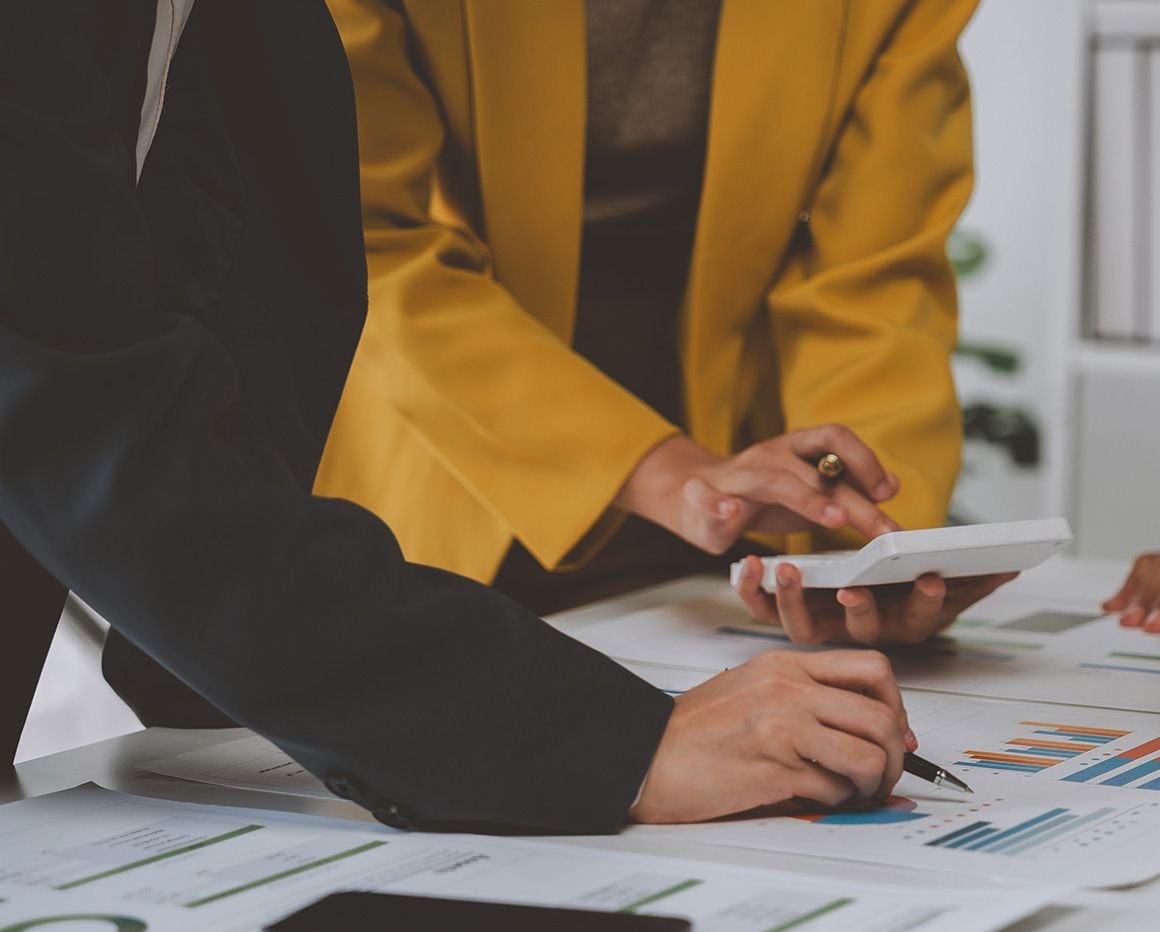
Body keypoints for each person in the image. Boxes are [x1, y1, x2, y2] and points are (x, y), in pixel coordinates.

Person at [0, 0, 915, 832]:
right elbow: (83, 408)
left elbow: (877, 282)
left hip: (347, 606)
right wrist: (603, 739)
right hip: (417, 530)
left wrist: (887, 544)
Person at [315, 0, 1005, 644]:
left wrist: (871, 548)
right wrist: (669, 474)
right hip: (436, 460)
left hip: (737, 500)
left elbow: (872, 275)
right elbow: (365, 241)